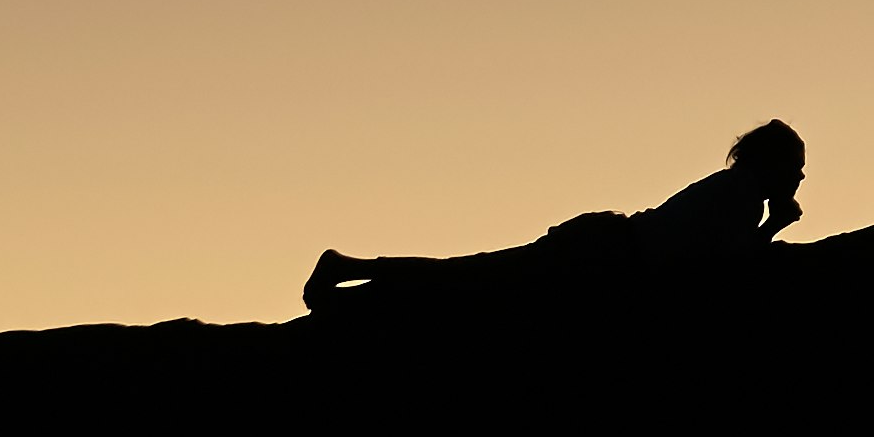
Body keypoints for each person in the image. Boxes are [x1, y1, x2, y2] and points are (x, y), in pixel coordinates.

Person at [305, 122, 805, 314]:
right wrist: (776, 227)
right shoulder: (742, 196)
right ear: (774, 164)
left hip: (605, 248)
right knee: (472, 281)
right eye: (797, 169)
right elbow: (726, 267)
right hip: (604, 256)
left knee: (474, 280)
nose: (801, 179)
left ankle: (352, 280)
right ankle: (347, 271)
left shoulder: (737, 191)